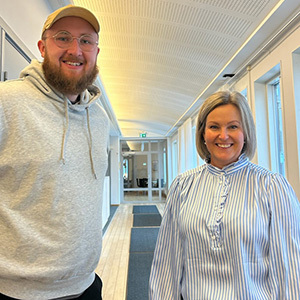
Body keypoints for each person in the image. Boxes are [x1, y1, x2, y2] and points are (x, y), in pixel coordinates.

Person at [0, 5, 109, 300]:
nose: (75, 49)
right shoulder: (6, 102)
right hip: (16, 292)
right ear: (42, 47)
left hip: (86, 286)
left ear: (96, 52)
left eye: (86, 41)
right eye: (63, 38)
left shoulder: (98, 117)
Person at [149, 90, 300, 299]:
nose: (223, 135)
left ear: (245, 132)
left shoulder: (272, 187)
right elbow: (167, 264)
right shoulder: (183, 186)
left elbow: (289, 270)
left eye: (233, 127)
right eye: (214, 127)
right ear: (203, 133)